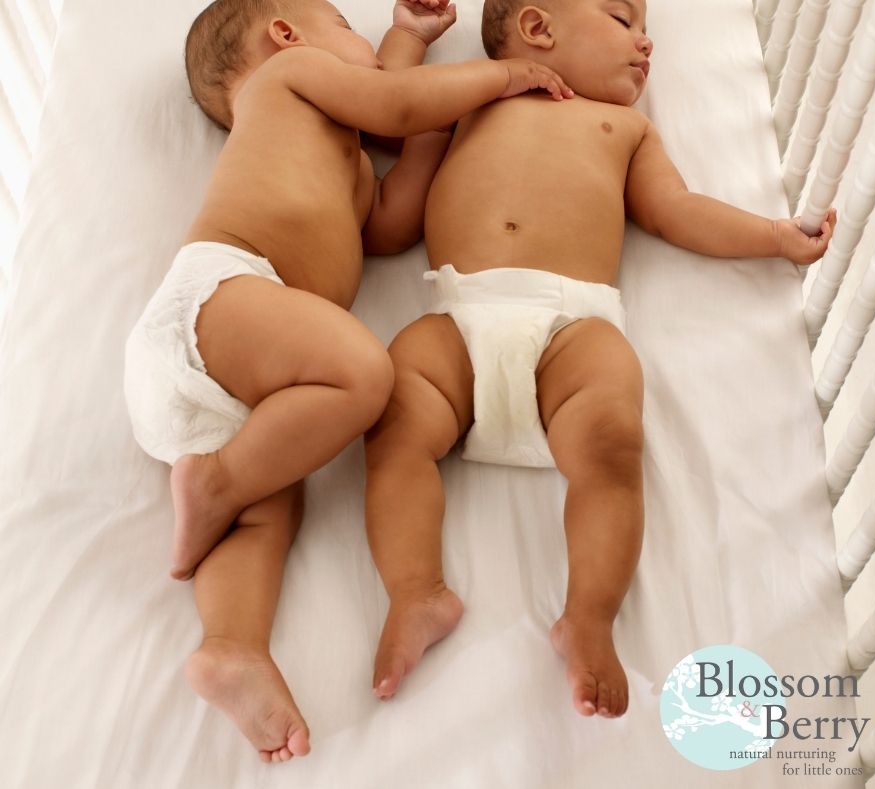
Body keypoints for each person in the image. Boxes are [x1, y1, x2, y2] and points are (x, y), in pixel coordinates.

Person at [123, 0, 573, 763]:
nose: (363, 46)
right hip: (218, 295)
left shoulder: (345, 165)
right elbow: (392, 102)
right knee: (366, 374)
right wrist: (497, 76)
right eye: (350, 29)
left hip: (242, 382)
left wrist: (419, 68)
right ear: (287, 37)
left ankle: (232, 646)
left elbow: (393, 216)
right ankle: (218, 483)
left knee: (269, 514)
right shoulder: (288, 81)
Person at [364, 0, 836, 721]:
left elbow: (677, 210)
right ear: (537, 28)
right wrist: (411, 36)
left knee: (613, 444)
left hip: (572, 328)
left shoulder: (627, 128)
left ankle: (588, 617)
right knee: (394, 425)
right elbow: (391, 108)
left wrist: (772, 234)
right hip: (458, 319)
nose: (647, 44)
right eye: (624, 21)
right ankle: (414, 590)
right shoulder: (471, 91)